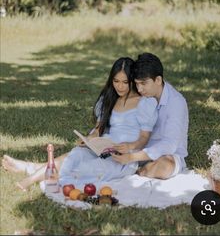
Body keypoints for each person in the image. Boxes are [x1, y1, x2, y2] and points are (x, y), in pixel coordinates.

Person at [2, 57, 157, 190]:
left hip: (123, 157)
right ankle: (28, 179)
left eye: (125, 82)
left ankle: (30, 170)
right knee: (74, 155)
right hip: (104, 147)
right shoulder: (110, 99)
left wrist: (129, 147)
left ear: (132, 81)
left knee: (81, 168)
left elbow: (144, 138)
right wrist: (90, 139)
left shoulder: (144, 103)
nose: (120, 86)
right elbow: (98, 129)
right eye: (116, 81)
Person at [112, 52, 189, 180]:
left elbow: (169, 144)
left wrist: (132, 157)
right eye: (137, 84)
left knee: (165, 166)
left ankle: (137, 172)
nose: (140, 89)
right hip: (140, 149)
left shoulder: (176, 102)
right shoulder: (143, 97)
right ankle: (135, 168)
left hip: (167, 155)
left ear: (158, 80)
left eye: (143, 83)